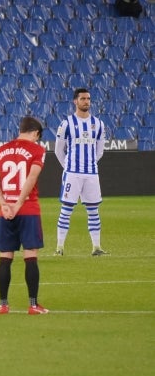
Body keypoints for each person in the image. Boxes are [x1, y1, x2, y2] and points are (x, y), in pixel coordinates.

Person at [0, 116, 48, 315]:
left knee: (5, 257)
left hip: (5, 212)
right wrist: (19, 203)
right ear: (35, 133)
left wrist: (4, 204)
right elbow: (32, 176)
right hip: (28, 209)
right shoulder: (37, 150)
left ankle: (3, 305)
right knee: (30, 255)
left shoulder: (1, 150)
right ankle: (33, 305)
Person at [54, 88, 108, 256]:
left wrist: (89, 164)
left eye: (88, 99)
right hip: (72, 174)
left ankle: (96, 248)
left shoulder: (98, 124)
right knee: (66, 210)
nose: (86, 101)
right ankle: (59, 248)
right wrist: (68, 167)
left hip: (91, 174)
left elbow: (100, 151)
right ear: (75, 101)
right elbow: (58, 150)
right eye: (83, 99)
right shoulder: (66, 124)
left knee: (93, 210)